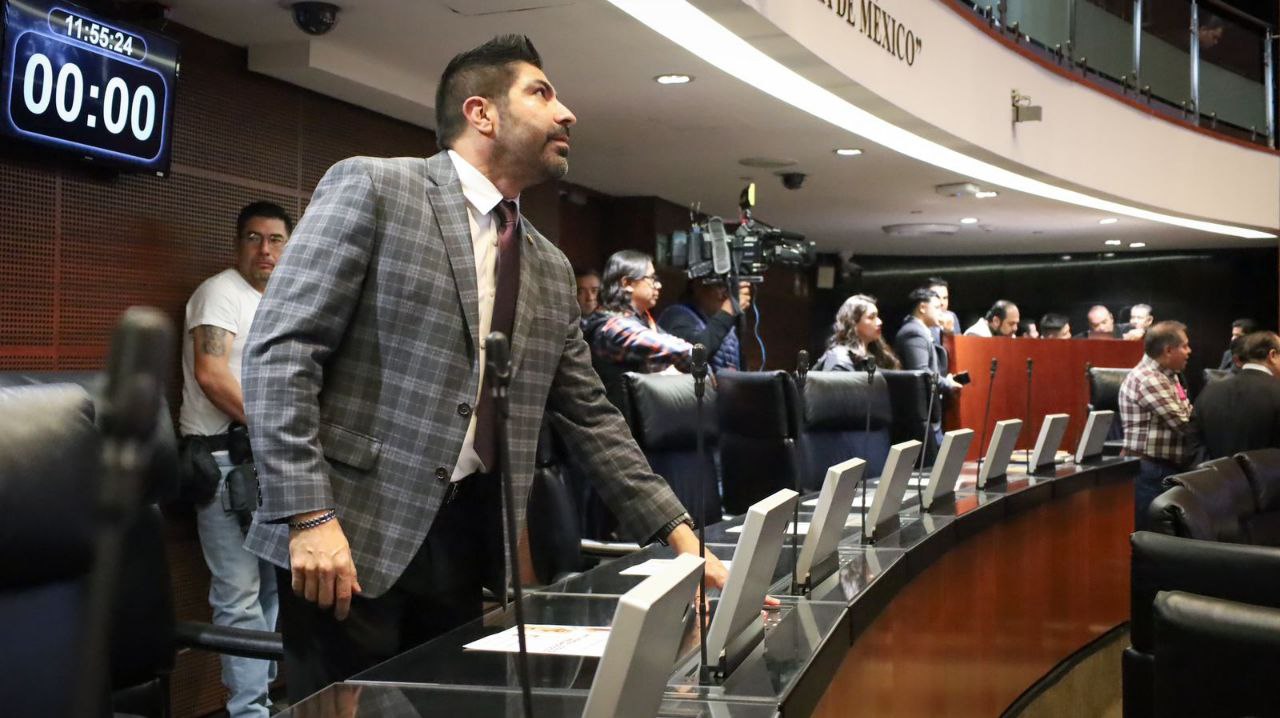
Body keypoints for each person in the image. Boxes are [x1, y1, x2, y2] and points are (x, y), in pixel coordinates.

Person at [241, 35, 727, 701]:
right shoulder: (376, 188)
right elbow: (281, 352)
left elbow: (591, 417)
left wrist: (680, 538)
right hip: (347, 534)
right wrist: (308, 514)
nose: (567, 113)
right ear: (482, 113)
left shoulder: (548, 265)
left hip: (465, 541)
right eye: (542, 93)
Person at [179, 201, 292, 718]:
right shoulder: (219, 293)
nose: (264, 250)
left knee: (269, 590)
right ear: (237, 244)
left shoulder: (277, 300)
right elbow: (212, 375)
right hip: (223, 462)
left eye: (275, 239)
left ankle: (259, 701)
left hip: (262, 461)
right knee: (239, 593)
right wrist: (275, 429)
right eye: (253, 238)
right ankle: (249, 713)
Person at [583, 250, 698, 408]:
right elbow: (682, 352)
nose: (658, 285)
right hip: (617, 419)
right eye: (651, 279)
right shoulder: (612, 327)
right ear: (627, 284)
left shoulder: (641, 320)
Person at [1119, 321, 1193, 529]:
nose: (1189, 351)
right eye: (1185, 346)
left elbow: (1189, 412)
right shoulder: (1149, 379)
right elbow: (1185, 425)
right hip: (1151, 471)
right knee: (1152, 535)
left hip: (1162, 468)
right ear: (1168, 350)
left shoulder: (1168, 376)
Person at [1191, 331, 1280, 460]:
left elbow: (1193, 444)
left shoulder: (1209, 391)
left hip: (1214, 472)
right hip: (1268, 472)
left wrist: (1215, 470)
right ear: (1272, 355)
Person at [894, 288, 961, 455]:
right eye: (937, 307)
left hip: (930, 415)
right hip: (922, 417)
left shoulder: (921, 331)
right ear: (922, 308)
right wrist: (947, 383)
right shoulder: (913, 332)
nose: (941, 312)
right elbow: (922, 373)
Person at [657, 276, 751, 372]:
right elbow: (696, 356)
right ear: (697, 286)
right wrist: (728, 312)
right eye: (719, 286)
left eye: (729, 288)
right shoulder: (676, 315)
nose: (725, 295)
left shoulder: (727, 327)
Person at [816, 294, 900, 371]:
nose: (879, 322)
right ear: (853, 322)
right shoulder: (840, 359)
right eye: (871, 317)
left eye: (877, 316)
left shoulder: (878, 354)